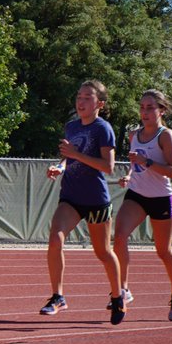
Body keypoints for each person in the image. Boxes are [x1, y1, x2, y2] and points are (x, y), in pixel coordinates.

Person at [43, 80, 123, 323]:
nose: (81, 101)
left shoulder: (103, 129)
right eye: (79, 96)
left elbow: (108, 167)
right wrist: (60, 167)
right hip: (71, 196)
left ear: (100, 104)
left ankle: (118, 296)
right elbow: (68, 159)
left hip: (95, 199)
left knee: (103, 252)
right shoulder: (71, 126)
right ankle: (57, 296)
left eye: (88, 97)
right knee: (55, 238)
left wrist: (75, 155)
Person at [113, 89, 172, 321]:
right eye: (142, 107)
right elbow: (135, 163)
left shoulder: (166, 136)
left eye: (150, 108)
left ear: (161, 110)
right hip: (136, 194)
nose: (144, 112)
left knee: (163, 251)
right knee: (119, 236)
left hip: (161, 198)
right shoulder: (134, 134)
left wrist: (147, 162)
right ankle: (123, 289)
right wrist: (129, 174)